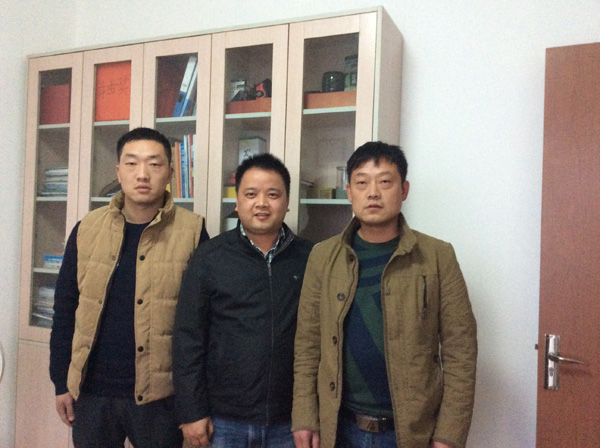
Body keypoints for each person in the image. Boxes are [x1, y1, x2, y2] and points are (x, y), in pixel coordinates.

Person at [291, 142, 477, 448]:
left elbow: (461, 351)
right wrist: (304, 416)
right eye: (362, 183)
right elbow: (308, 344)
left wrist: (449, 435)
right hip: (338, 427)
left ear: (404, 190)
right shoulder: (323, 257)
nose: (373, 193)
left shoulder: (437, 257)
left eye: (385, 181)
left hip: (409, 433)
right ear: (349, 191)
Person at [49, 127, 209, 448]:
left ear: (170, 173)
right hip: (92, 392)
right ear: (118, 172)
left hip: (162, 397)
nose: (143, 174)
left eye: (154, 164)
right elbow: (65, 308)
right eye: (132, 163)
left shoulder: (193, 232)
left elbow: (205, 324)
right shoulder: (87, 228)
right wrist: (61, 382)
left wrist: (195, 402)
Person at [172, 153, 313, 448]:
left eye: (273, 194)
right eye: (251, 194)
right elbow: (188, 339)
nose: (261, 203)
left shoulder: (311, 259)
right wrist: (192, 411)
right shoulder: (209, 257)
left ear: (287, 202)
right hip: (223, 420)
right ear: (237, 202)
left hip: (290, 421)